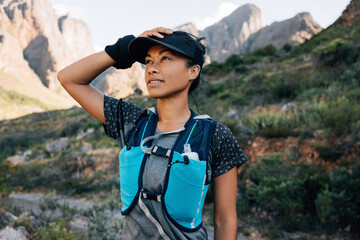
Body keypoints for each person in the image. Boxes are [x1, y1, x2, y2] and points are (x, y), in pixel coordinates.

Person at [57, 27, 247, 240]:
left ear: (193, 71)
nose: (152, 69)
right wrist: (125, 48)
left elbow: (225, 220)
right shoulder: (131, 122)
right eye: (148, 61)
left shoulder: (215, 135)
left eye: (165, 59)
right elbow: (68, 78)